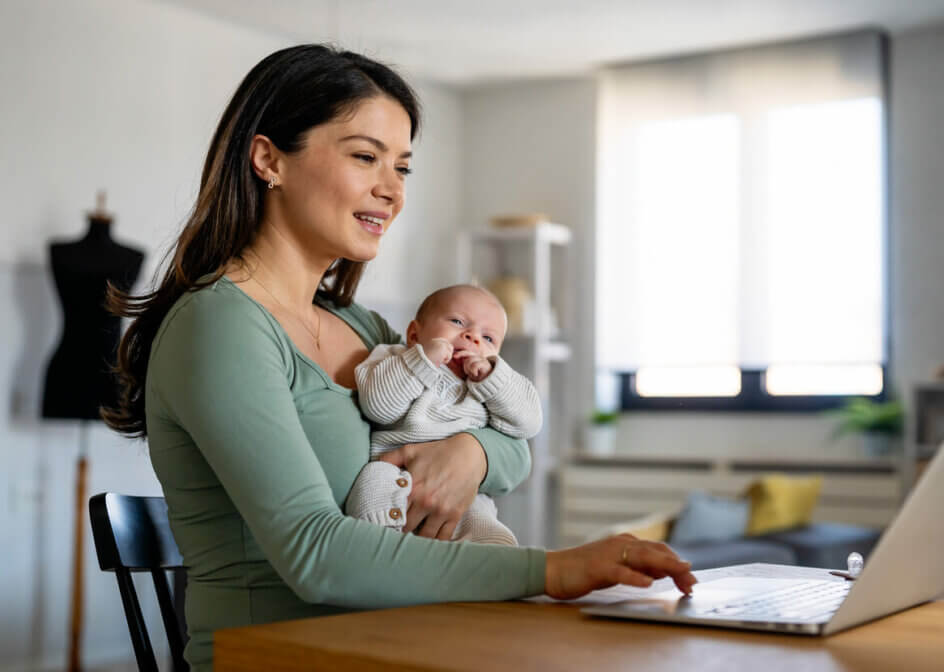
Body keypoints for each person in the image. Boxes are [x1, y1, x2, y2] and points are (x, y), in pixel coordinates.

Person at [103, 44, 696, 672]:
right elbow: (316, 554)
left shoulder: (364, 326)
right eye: (365, 157)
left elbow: (513, 445)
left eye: (403, 168)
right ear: (268, 159)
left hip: (404, 645)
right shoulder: (219, 324)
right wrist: (555, 568)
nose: (391, 190)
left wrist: (467, 453)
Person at [345, 284, 542, 545]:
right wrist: (422, 361)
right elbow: (379, 407)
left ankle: (493, 567)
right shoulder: (395, 357)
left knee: (490, 533)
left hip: (464, 497)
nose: (473, 337)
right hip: (393, 472)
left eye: (488, 338)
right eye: (458, 322)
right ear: (415, 334)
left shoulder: (488, 388)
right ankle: (384, 543)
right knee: (371, 484)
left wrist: (492, 379)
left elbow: (529, 424)